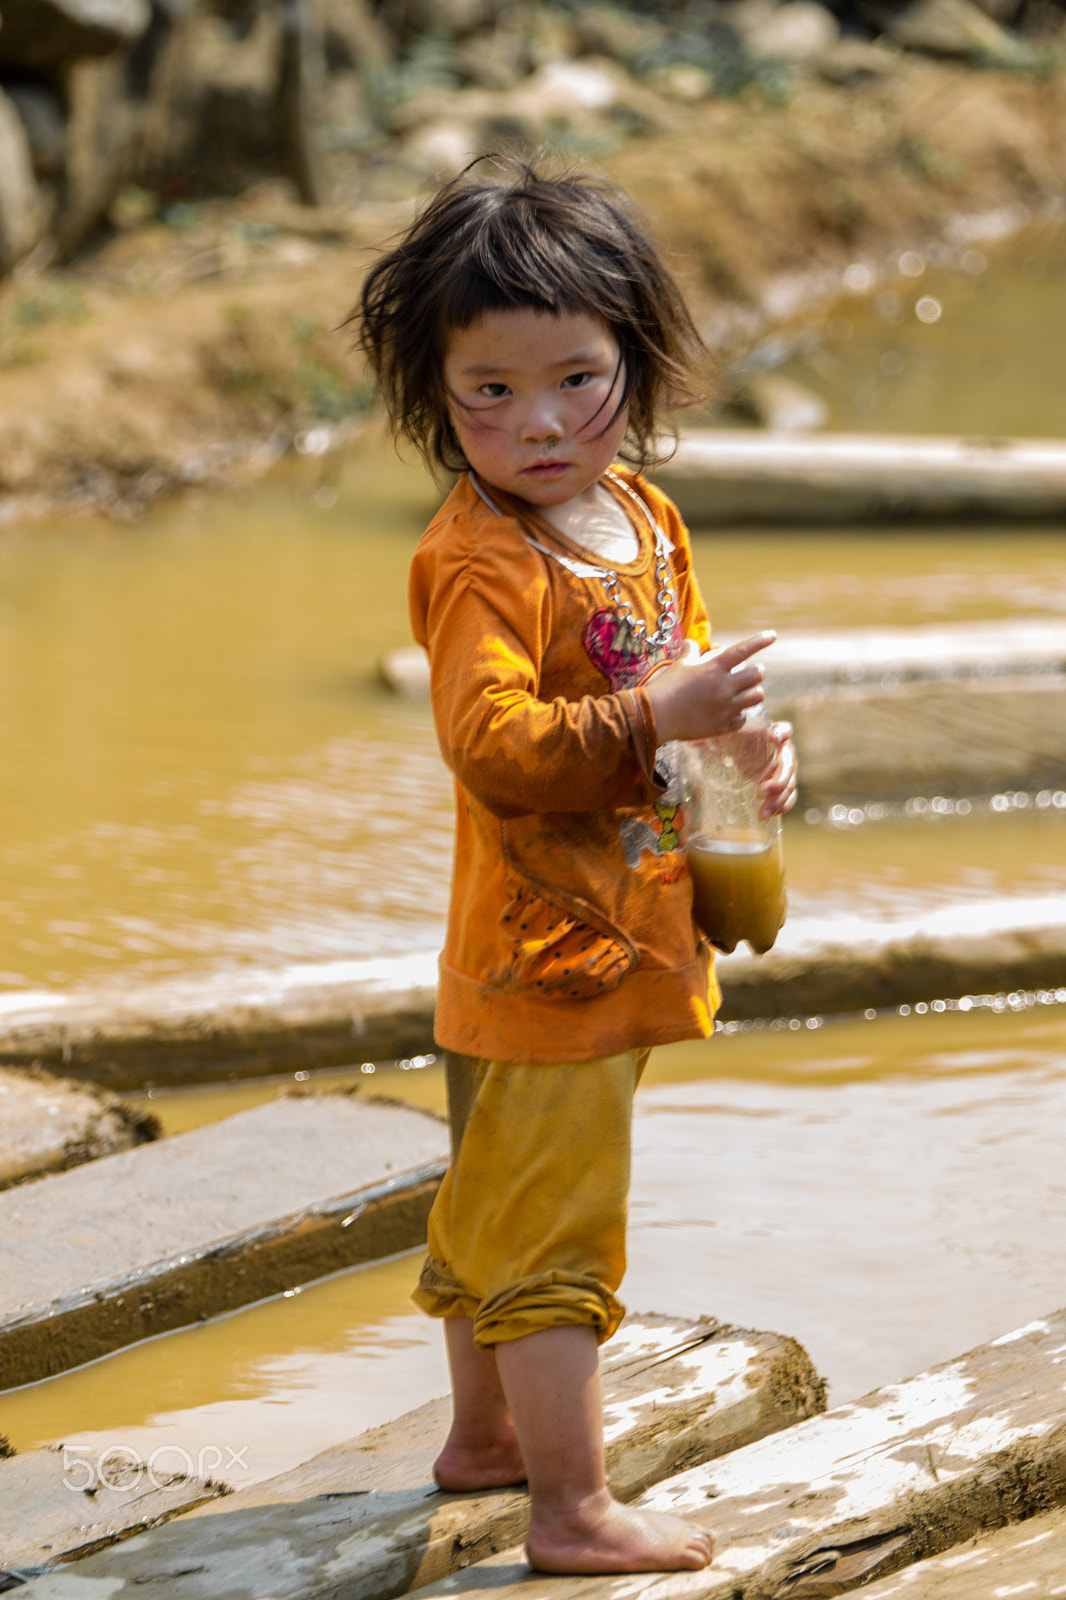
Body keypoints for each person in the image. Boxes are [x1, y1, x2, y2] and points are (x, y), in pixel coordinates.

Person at [352, 155, 795, 1577]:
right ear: (434, 394)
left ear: (637, 367)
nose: (535, 423)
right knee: (553, 1229)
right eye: (486, 391)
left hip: (622, 923)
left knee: (493, 1190)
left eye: (572, 380)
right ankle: (569, 1510)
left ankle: (484, 1442)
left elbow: (684, 683)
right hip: (546, 956)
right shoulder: (482, 563)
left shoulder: (641, 522)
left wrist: (739, 753)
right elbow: (492, 747)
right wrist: (651, 717)